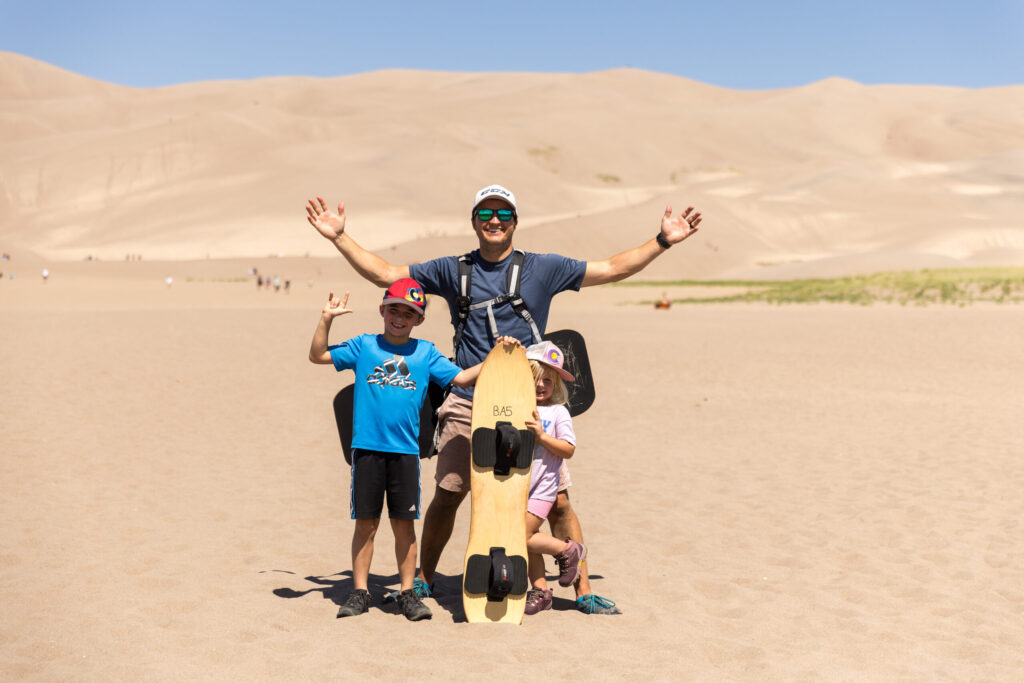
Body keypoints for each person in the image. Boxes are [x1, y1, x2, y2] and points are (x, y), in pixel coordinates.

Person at [306, 184, 702, 614]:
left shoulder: (543, 268)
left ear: (515, 221)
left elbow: (610, 268)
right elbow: (387, 274)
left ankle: (583, 590)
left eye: (504, 214)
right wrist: (339, 237)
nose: (494, 221)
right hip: (468, 396)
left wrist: (663, 241)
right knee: (450, 490)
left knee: (557, 500)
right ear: (475, 220)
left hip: (529, 399)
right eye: (486, 213)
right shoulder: (452, 270)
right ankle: (423, 580)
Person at [308, 277, 517, 621]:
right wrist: (326, 318)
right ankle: (360, 592)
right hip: (367, 449)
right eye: (394, 310)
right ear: (382, 310)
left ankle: (407, 593)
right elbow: (317, 355)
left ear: (419, 319)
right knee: (366, 524)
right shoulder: (364, 346)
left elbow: (463, 378)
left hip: (405, 453)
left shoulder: (426, 353)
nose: (400, 317)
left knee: (404, 525)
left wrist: (498, 355)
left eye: (409, 312)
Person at [521, 341, 588, 615]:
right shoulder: (518, 406)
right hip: (517, 487)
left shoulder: (558, 411)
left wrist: (542, 437)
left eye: (547, 380)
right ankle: (540, 591)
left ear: (556, 384)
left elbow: (569, 449)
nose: (540, 385)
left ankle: (566, 550)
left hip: (543, 489)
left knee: (519, 535)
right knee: (530, 538)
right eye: (535, 378)